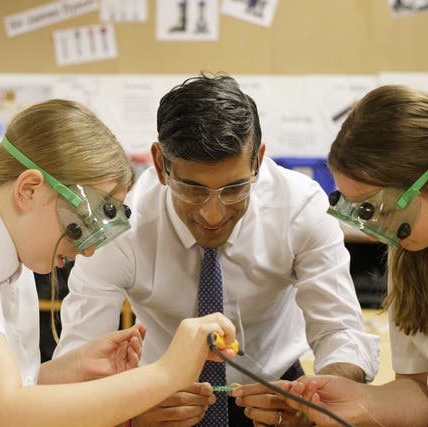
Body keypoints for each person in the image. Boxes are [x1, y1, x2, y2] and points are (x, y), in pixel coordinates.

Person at [0, 98, 237, 426]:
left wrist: (67, 371)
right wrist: (167, 373)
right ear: (29, 190)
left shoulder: (12, 266)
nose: (87, 251)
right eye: (81, 224)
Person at [55, 73, 379, 426]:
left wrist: (315, 399)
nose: (213, 213)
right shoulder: (123, 222)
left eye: (234, 188)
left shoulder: (300, 207)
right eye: (192, 189)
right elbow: (78, 355)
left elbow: (342, 333)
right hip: (157, 400)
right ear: (161, 165)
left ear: (257, 161)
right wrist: (125, 413)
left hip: (279, 394)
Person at [283, 84, 428, 426]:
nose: (372, 229)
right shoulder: (416, 244)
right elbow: (424, 393)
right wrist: (362, 400)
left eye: (382, 210)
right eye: (361, 211)